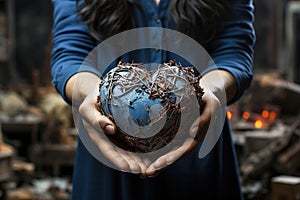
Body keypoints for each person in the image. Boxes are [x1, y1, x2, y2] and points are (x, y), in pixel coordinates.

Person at [50, 0, 255, 199]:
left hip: (199, 138)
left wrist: (208, 92)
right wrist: (93, 94)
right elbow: (70, 55)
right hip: (108, 144)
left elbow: (234, 52)